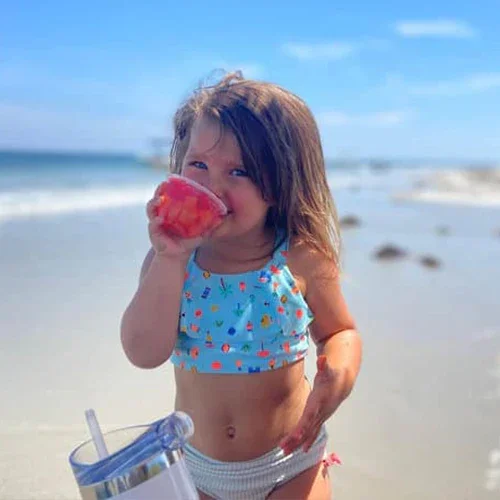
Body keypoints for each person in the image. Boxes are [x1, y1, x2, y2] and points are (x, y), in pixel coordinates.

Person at [120, 71, 362, 500]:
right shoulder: (172, 263)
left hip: (291, 464)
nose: (213, 184)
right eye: (198, 164)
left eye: (239, 171)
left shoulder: (299, 258)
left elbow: (340, 331)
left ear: (280, 183)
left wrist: (339, 375)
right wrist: (169, 259)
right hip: (199, 470)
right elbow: (143, 353)